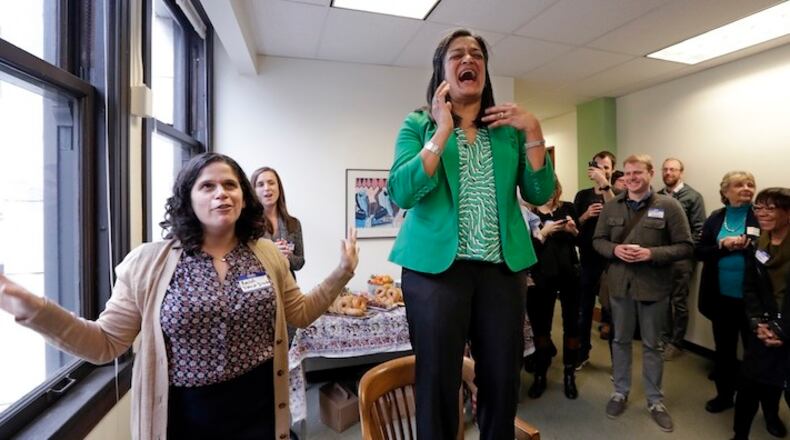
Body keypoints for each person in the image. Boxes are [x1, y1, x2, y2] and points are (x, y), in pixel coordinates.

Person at [0, 153, 359, 440]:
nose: (222, 193)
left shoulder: (266, 254)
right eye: (208, 186)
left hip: (261, 406)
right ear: (188, 198)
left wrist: (342, 270)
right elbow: (105, 343)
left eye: (230, 185)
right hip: (185, 416)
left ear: (243, 197)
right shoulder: (149, 263)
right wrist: (32, 308)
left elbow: (299, 312)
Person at [387, 29, 554, 439]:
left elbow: (540, 193)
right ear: (442, 71)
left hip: (502, 269)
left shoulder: (508, 129)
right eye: (457, 54)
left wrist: (533, 130)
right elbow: (402, 191)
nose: (469, 60)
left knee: (502, 377)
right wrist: (441, 132)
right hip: (436, 272)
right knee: (439, 379)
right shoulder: (419, 124)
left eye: (477, 55)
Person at [593, 154, 692, 432]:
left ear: (651, 174)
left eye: (639, 172)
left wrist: (651, 253)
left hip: (654, 287)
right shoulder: (611, 205)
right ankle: (620, 392)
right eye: (628, 173)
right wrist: (614, 250)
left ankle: (655, 400)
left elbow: (685, 246)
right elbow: (597, 241)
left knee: (652, 345)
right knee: (620, 340)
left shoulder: (669, 206)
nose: (633, 177)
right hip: (620, 286)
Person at [696, 171, 758, 415]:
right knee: (724, 351)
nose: (746, 188)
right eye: (739, 184)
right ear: (725, 192)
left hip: (754, 301)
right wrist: (723, 245)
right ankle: (724, 396)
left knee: (756, 354)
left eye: (750, 184)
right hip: (721, 297)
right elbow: (700, 252)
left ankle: (762, 406)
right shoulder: (715, 218)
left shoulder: (762, 216)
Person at [733, 187, 790, 440]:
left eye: (770, 207)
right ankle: (740, 434)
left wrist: (782, 329)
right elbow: (750, 287)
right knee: (749, 386)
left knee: (779, 384)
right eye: (759, 207)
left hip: (787, 328)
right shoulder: (757, 243)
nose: (762, 213)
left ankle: (771, 415)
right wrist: (756, 322)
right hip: (762, 326)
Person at [525, 178, 581, 400]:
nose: (547, 192)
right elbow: (525, 250)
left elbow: (581, 240)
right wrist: (545, 233)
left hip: (570, 276)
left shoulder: (568, 208)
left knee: (572, 326)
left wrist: (573, 230)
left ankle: (569, 374)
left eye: (551, 188)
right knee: (541, 327)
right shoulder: (528, 213)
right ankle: (541, 372)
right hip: (540, 278)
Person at [657, 158, 706, 360]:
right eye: (665, 169)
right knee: (661, 300)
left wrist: (682, 252)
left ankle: (676, 343)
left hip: (681, 259)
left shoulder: (693, 197)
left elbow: (699, 230)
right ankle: (664, 338)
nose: (668, 172)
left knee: (679, 301)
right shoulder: (656, 197)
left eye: (673, 169)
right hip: (659, 258)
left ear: (681, 172)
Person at [574, 150, 616, 369]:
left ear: (612, 170)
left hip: (610, 262)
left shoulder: (618, 194)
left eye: (606, 167)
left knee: (612, 313)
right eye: (597, 165)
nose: (601, 170)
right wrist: (585, 215)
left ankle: (616, 363)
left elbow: (620, 218)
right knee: (585, 310)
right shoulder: (582, 196)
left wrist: (605, 186)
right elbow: (574, 227)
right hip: (588, 260)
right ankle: (582, 353)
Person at [251, 166, 306, 275]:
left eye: (271, 183)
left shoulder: (294, 224)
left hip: (288, 287)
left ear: (279, 188)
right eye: (260, 184)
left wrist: (288, 255)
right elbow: (243, 263)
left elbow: (299, 263)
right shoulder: (248, 224)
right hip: (261, 288)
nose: (267, 188)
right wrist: (272, 252)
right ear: (253, 190)